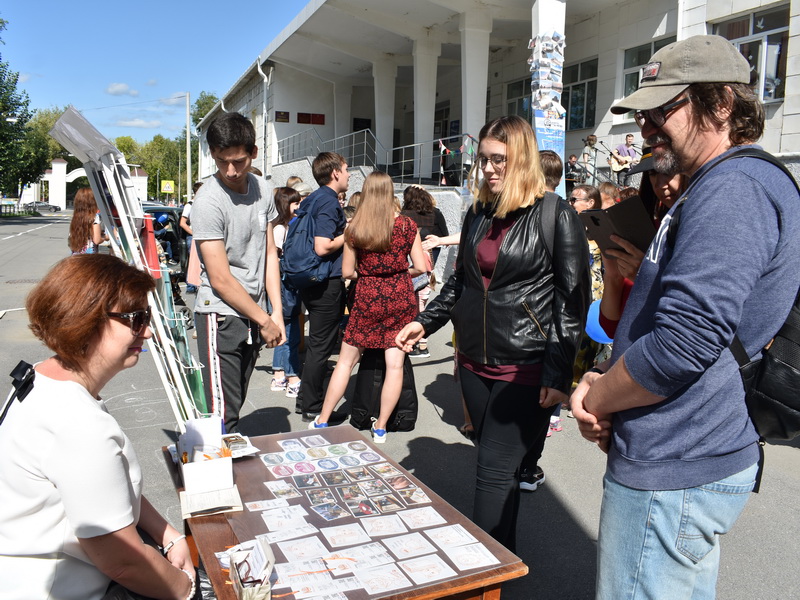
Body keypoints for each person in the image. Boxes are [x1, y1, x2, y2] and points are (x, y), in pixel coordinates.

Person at [571, 35, 800, 599]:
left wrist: (598, 399)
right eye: (643, 112)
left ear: (722, 104)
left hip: (676, 462)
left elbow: (683, 344)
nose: (646, 127)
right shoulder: (714, 187)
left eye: (663, 109)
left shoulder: (733, 189)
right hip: (674, 456)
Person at [396, 116, 590, 550]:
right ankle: (504, 565)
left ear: (521, 159)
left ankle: (484, 574)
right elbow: (460, 283)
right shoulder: (479, 212)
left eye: (498, 159)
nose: (488, 169)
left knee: (493, 473)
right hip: (473, 364)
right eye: (483, 159)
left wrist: (557, 377)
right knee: (495, 472)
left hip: (524, 367)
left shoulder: (555, 214)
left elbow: (572, 303)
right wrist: (423, 321)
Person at [0, 254, 195, 600]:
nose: (146, 330)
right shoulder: (78, 425)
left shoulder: (39, 377)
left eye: (146, 317)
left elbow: (107, 492)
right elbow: (123, 563)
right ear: (86, 320)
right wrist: (189, 590)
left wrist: (169, 534)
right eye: (136, 319)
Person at [309, 172, 426, 443]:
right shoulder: (407, 226)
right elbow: (420, 267)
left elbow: (347, 272)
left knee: (346, 362)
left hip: (366, 297)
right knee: (394, 365)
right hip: (399, 297)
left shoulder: (355, 228)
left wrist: (371, 274)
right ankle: (381, 426)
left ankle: (324, 419)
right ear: (390, 193)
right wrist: (397, 273)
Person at [192, 111, 284, 434]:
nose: (230, 170)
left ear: (254, 153)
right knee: (222, 415)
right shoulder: (207, 201)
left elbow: (270, 253)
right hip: (221, 314)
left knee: (236, 402)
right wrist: (264, 319)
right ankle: (220, 480)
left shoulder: (263, 189)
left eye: (239, 161)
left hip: (255, 314)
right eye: (221, 162)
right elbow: (219, 278)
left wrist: (278, 312)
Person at [296, 152, 349, 422]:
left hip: (312, 279)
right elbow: (323, 245)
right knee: (321, 346)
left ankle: (305, 399)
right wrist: (348, 233)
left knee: (317, 343)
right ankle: (312, 406)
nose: (349, 174)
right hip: (325, 282)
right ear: (335, 173)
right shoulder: (328, 201)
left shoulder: (314, 198)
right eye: (346, 169)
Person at [401, 185, 449, 358]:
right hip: (429, 262)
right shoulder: (435, 213)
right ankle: (421, 343)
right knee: (423, 297)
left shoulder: (404, 216)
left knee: (415, 300)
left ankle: (418, 342)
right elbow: (444, 236)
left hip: (410, 265)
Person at [271, 187, 303, 399]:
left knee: (285, 326)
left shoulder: (283, 226)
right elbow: (275, 259)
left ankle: (279, 374)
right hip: (284, 284)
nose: (298, 207)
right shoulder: (280, 229)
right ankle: (291, 376)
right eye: (295, 203)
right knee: (289, 328)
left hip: (285, 283)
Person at [180, 181, 203, 293]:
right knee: (194, 261)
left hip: (202, 235)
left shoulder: (204, 203)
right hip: (193, 237)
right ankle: (191, 285)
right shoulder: (189, 205)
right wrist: (193, 233)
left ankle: (197, 283)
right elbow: (182, 222)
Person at [68, 187, 105, 255]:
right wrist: (104, 237)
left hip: (75, 256)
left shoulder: (75, 218)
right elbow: (97, 240)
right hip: (89, 259)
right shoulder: (94, 218)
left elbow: (70, 240)